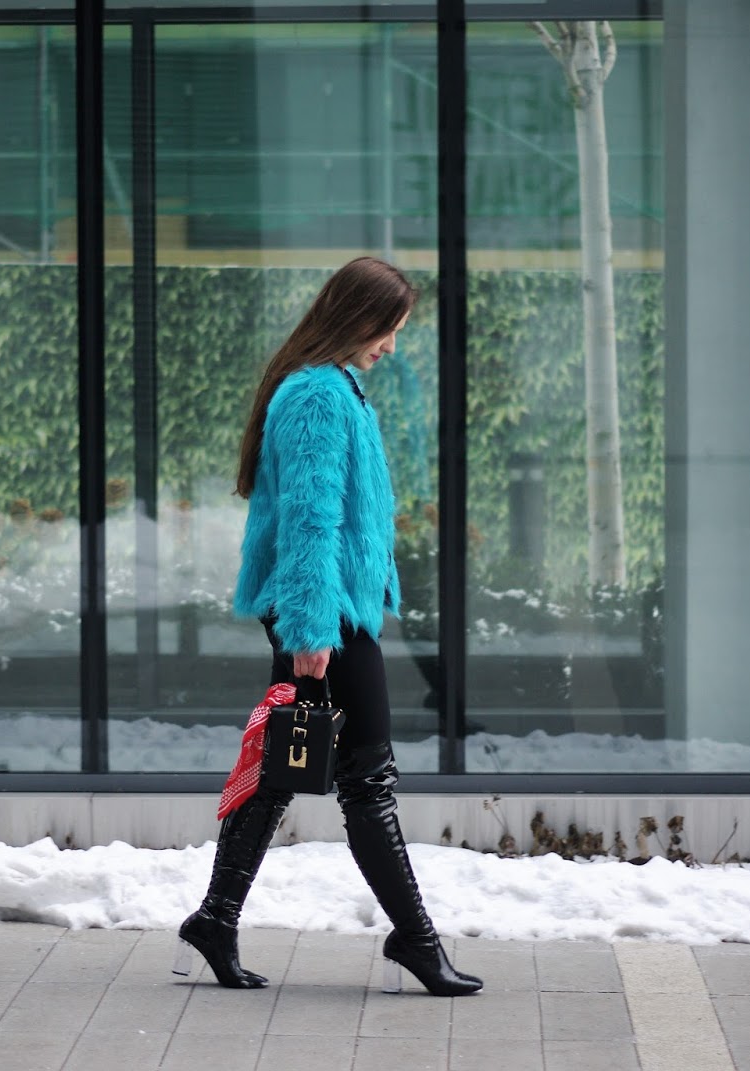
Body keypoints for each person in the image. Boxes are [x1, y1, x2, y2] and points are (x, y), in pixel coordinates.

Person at [173, 256, 483, 998]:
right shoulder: (316, 393)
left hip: (331, 606)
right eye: (387, 329)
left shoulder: (333, 386)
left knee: (285, 766)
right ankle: (415, 939)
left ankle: (215, 918)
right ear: (356, 317)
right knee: (367, 778)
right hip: (325, 613)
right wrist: (312, 630)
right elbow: (310, 521)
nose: (392, 345)